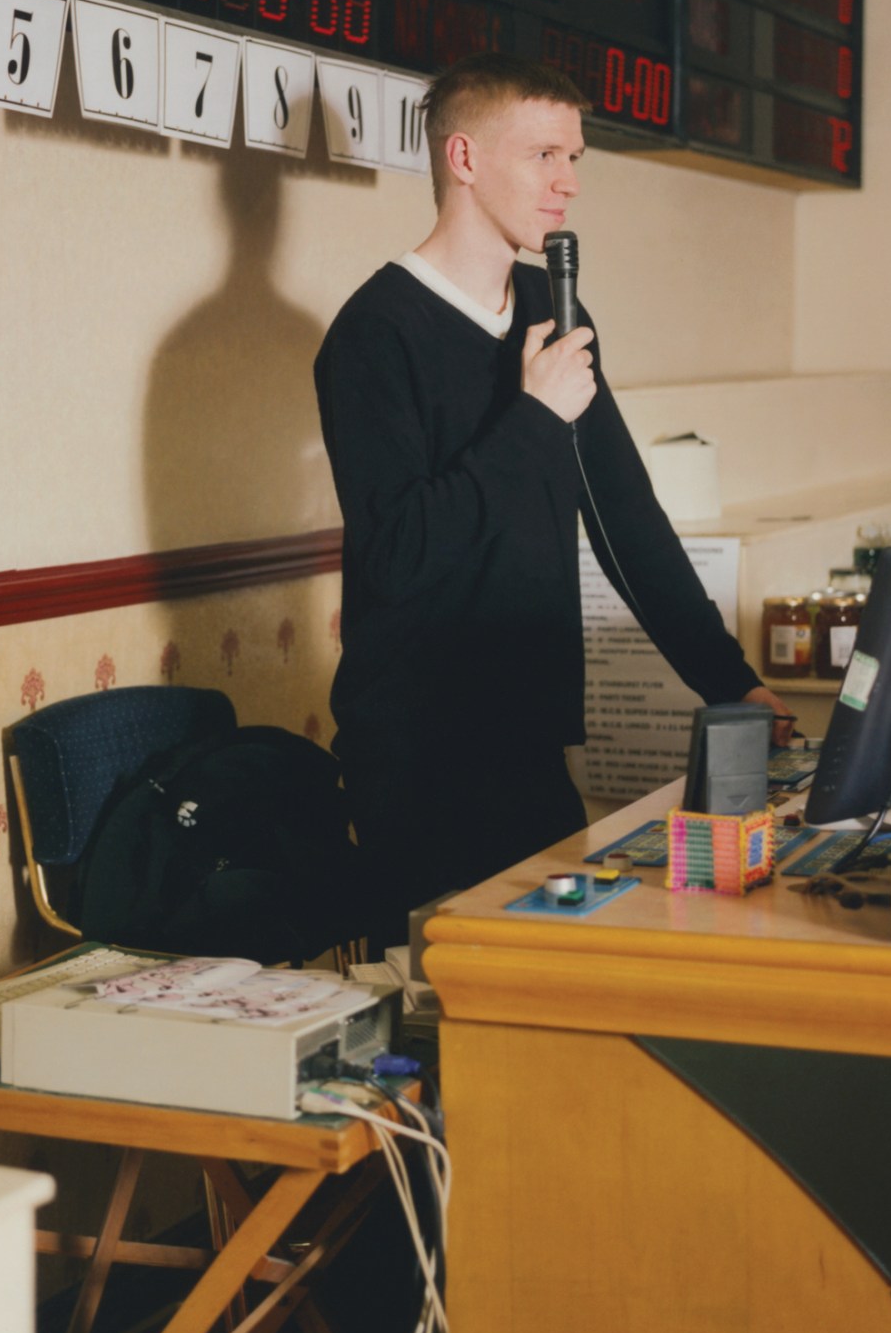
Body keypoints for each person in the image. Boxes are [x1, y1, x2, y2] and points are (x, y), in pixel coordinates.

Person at [314, 53, 793, 941]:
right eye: (543, 156)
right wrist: (532, 417)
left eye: (574, 158)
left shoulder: (552, 307)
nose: (567, 183)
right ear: (462, 159)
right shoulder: (374, 335)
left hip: (529, 741)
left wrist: (731, 684)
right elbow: (398, 555)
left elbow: (626, 521)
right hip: (419, 758)